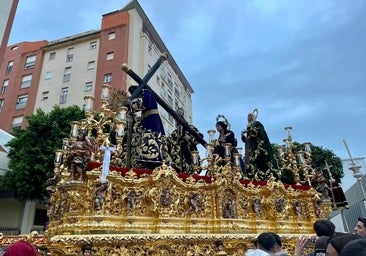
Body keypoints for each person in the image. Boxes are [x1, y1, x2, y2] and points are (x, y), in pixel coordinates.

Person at [129, 86, 166, 168]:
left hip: (152, 120)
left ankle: (153, 160)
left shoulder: (146, 92)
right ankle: (145, 159)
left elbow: (144, 102)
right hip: (146, 120)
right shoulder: (143, 94)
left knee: (151, 138)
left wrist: (130, 103)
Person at [241, 109, 276, 181]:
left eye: (250, 116)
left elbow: (257, 133)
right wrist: (243, 136)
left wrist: (249, 130)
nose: (249, 117)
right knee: (250, 161)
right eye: (248, 116)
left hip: (258, 146)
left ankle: (263, 175)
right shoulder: (249, 126)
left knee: (259, 159)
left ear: (253, 117)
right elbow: (248, 139)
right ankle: (251, 174)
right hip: (251, 147)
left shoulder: (257, 124)